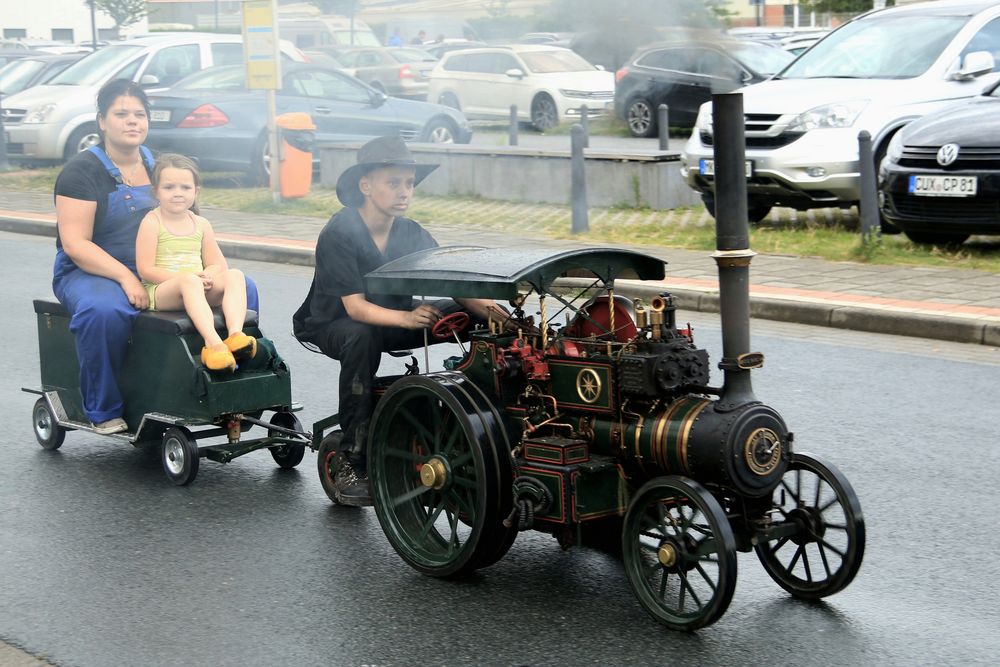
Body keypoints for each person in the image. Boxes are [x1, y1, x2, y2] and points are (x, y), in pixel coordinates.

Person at [293, 136, 506, 506]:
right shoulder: (338, 233)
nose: (404, 191)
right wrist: (407, 318)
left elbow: (451, 281)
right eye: (393, 182)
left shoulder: (409, 231)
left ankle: (493, 415)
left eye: (408, 183)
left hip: (392, 321)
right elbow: (355, 309)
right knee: (360, 337)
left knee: (464, 314)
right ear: (365, 185)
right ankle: (353, 458)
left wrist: (499, 317)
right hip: (334, 325)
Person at [52, 78, 259, 435]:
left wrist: (207, 272)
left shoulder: (160, 165)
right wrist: (126, 277)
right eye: (121, 114)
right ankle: (103, 408)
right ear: (101, 121)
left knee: (243, 289)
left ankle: (222, 389)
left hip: (163, 267)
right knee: (105, 311)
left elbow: (190, 222)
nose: (132, 121)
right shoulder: (80, 172)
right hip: (92, 271)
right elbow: (76, 244)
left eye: (139, 114)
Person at [136, 154, 256, 372]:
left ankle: (235, 336)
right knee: (190, 282)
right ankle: (213, 344)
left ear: (196, 191)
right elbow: (146, 269)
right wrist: (186, 279)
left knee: (235, 275)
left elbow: (218, 264)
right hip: (164, 291)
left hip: (197, 287)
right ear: (156, 192)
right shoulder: (152, 222)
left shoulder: (201, 224)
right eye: (169, 187)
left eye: (185, 187)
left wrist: (208, 275)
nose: (178, 193)